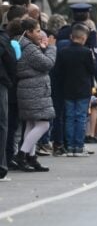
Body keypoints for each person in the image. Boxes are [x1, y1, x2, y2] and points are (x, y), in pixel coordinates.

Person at [15, 18, 56, 171]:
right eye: (38, 31)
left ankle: (31, 158)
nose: (40, 34)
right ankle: (22, 154)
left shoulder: (26, 45)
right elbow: (47, 64)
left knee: (32, 123)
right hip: (34, 89)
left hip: (30, 89)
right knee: (43, 124)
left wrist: (43, 49)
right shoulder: (29, 48)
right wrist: (51, 48)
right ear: (29, 32)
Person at [55, 24, 96, 157]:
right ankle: (79, 146)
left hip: (67, 88)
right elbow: (92, 70)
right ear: (84, 38)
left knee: (69, 117)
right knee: (81, 117)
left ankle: (70, 147)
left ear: (72, 37)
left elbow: (58, 72)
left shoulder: (62, 52)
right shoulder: (86, 52)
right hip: (83, 89)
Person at [0, 23, 17, 180]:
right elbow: (12, 62)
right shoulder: (3, 39)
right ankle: (1, 166)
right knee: (2, 125)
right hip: (1, 84)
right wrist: (10, 81)